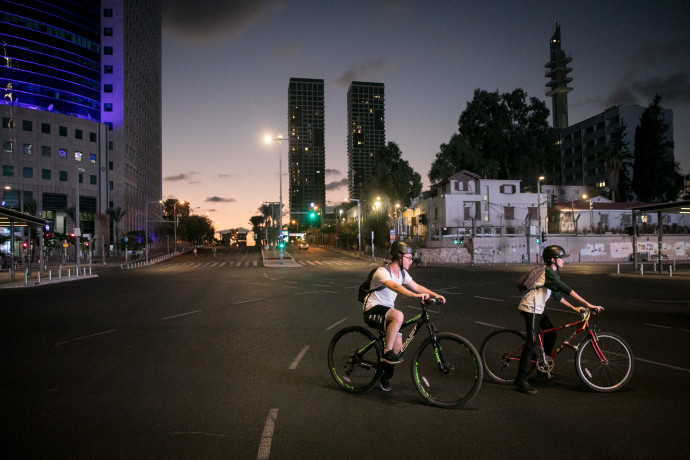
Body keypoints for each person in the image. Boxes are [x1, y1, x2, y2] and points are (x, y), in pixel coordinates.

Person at [514, 245, 603, 395]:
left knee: (551, 334)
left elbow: (556, 294)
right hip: (531, 309)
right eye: (561, 258)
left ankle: (542, 371)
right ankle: (520, 380)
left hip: (538, 309)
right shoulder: (548, 272)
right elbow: (564, 288)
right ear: (553, 260)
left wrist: (574, 308)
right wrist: (588, 304)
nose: (564, 261)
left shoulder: (551, 272)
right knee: (531, 342)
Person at [362, 240, 446, 391]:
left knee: (398, 348)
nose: (411, 260)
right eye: (409, 257)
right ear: (399, 257)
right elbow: (395, 286)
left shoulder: (402, 273)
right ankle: (386, 353)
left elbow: (417, 286)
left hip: (388, 313)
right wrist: (415, 296)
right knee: (399, 315)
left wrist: (435, 295)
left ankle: (384, 377)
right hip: (372, 310)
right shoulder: (382, 272)